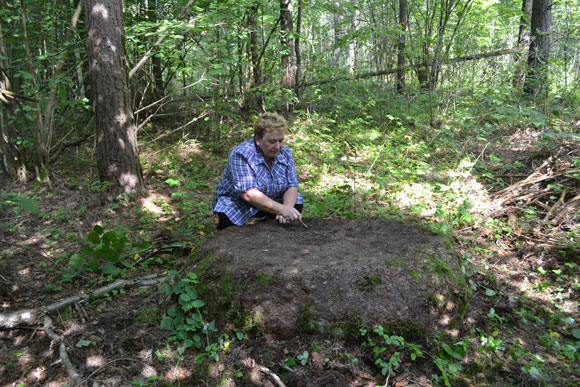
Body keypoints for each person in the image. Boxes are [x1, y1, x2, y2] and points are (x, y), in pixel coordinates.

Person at [213, 112, 303, 230]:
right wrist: (282, 210)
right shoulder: (242, 154)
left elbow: (292, 185)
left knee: (296, 201)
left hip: (272, 199)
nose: (277, 147)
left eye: (281, 141)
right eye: (272, 142)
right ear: (258, 140)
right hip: (239, 203)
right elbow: (248, 194)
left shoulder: (285, 152)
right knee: (228, 210)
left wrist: (287, 208)